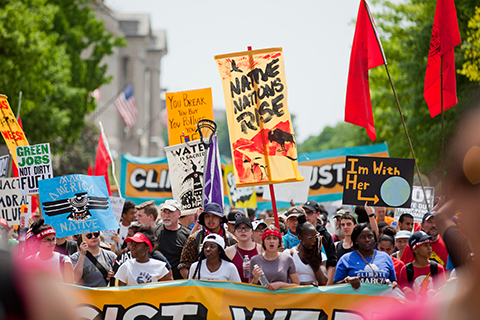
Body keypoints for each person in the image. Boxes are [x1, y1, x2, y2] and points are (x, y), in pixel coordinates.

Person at [178, 203, 236, 279]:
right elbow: (183, 266)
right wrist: (195, 284)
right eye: (207, 216)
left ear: (220, 218)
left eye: (214, 216)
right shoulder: (194, 238)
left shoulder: (231, 240)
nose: (210, 219)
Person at [334, 223, 397, 289]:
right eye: (362, 237)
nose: (367, 240)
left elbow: (393, 281)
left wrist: (393, 284)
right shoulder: (346, 259)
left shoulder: (385, 257)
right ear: (356, 240)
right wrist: (346, 281)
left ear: (374, 239)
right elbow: (335, 286)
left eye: (370, 236)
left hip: (381, 298)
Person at [398, 231, 446, 300]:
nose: (429, 248)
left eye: (430, 245)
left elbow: (444, 293)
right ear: (415, 250)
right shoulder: (406, 270)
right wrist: (405, 290)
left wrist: (435, 293)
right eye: (425, 245)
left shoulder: (438, 268)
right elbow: (401, 295)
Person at [302, 200, 338, 285]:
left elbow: (331, 263)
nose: (306, 215)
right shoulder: (298, 233)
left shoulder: (325, 236)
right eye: (305, 212)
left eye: (310, 212)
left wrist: (326, 286)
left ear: (318, 214)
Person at [285, 215, 328, 285]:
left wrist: (314, 263)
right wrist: (305, 285)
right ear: (299, 237)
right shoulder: (289, 254)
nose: (314, 240)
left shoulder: (320, 256)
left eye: (315, 236)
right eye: (310, 237)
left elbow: (324, 282)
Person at [155, 199, 191, 280]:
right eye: (164, 212)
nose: (166, 215)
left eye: (170, 212)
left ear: (179, 214)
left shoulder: (187, 234)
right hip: (158, 282)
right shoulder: (154, 232)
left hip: (179, 283)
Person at [225, 217, 263, 283]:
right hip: (237, 291)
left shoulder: (261, 249)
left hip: (258, 291)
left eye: (247, 228)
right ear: (234, 232)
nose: (243, 231)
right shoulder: (228, 252)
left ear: (252, 232)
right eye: (239, 228)